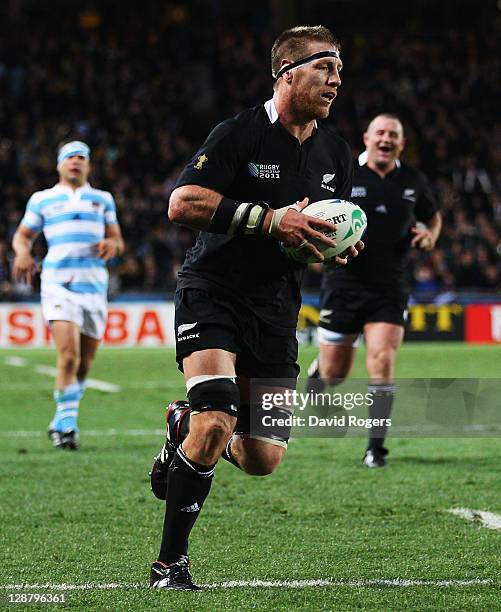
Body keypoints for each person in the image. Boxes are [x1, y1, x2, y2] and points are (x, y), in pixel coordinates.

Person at [148, 25, 364, 591]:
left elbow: (306, 233)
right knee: (216, 419)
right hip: (213, 289)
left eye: (340, 71)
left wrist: (328, 245)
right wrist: (271, 219)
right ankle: (171, 564)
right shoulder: (238, 133)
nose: (336, 80)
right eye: (326, 68)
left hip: (276, 307)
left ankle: (178, 424)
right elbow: (182, 202)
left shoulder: (336, 153)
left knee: (263, 457)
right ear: (288, 72)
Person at [305, 114, 442, 468]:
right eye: (380, 133)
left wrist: (430, 234)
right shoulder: (345, 174)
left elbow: (433, 216)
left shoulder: (413, 180)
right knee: (335, 374)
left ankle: (375, 449)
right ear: (366, 137)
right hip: (343, 284)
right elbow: (316, 212)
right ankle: (319, 372)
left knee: (382, 363)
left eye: (393, 135)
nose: (386, 139)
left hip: (390, 288)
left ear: (401, 142)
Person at [12, 141, 124, 450]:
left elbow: (117, 241)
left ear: (88, 166)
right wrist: (22, 254)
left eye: (81, 157)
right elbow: (22, 236)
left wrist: (113, 246)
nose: (75, 161)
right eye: (70, 157)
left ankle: (61, 420)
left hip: (95, 287)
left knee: (85, 362)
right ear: (59, 165)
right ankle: (67, 425)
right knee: (69, 355)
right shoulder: (43, 200)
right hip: (58, 284)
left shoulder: (102, 200)